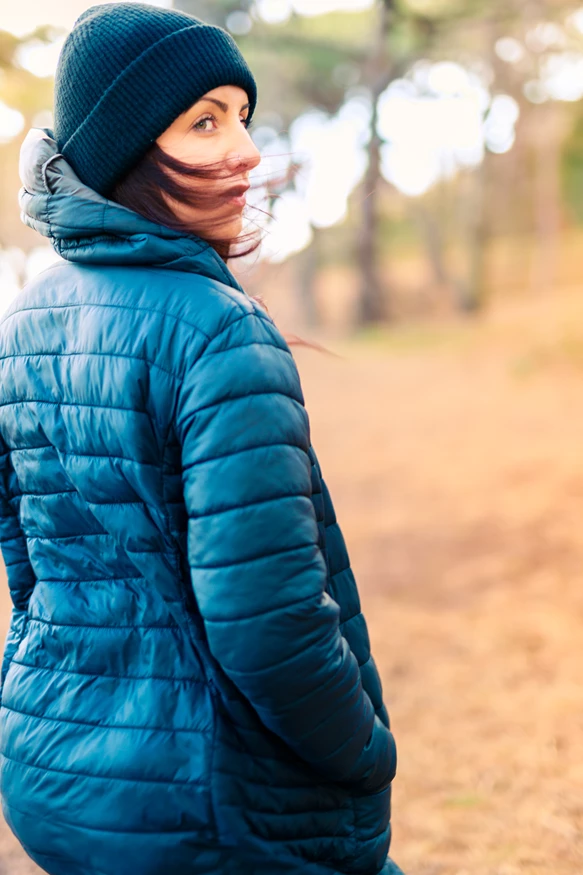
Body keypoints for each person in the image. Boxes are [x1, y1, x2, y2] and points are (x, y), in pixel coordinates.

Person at [0, 4, 403, 874]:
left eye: (242, 116)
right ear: (129, 147)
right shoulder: (219, 332)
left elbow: (29, 577)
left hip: (55, 771)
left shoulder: (26, 313)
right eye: (203, 121)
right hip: (210, 800)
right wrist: (366, 752)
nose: (247, 150)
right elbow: (273, 626)